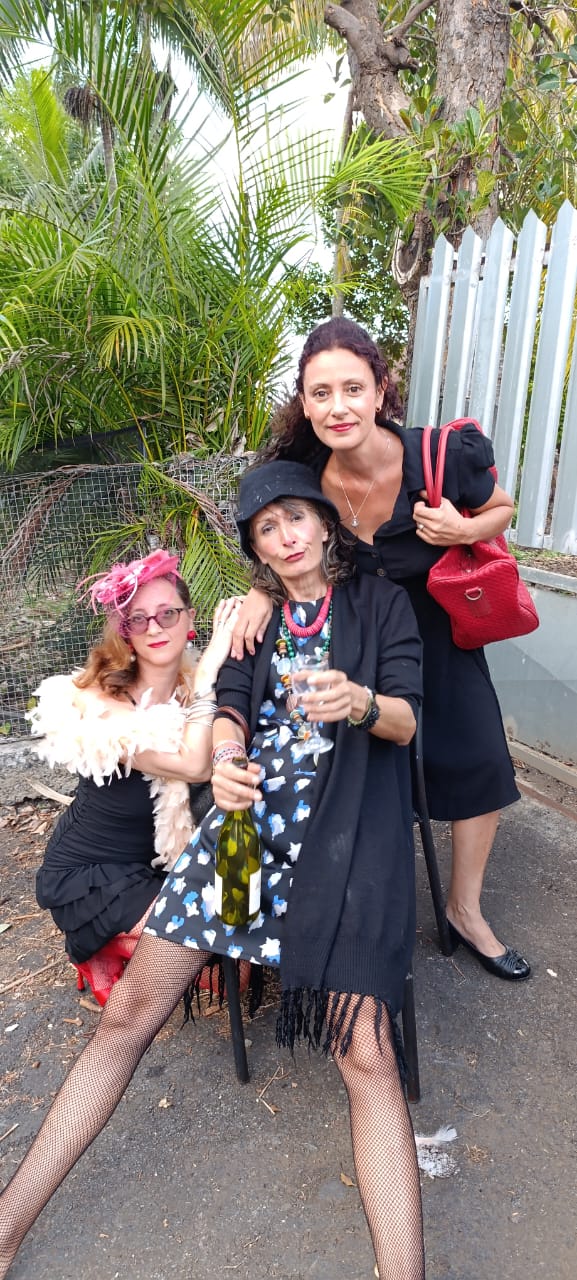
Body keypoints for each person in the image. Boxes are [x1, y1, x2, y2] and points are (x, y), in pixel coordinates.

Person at [0, 462, 425, 1280]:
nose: (285, 536)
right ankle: (6, 1226)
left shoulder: (381, 606)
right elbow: (227, 709)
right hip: (243, 840)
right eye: (266, 528)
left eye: (295, 517)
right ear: (257, 551)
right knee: (129, 1015)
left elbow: (407, 720)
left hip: (344, 841)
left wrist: (360, 703)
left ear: (324, 525)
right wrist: (227, 761)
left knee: (365, 1056)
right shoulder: (253, 622)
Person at [232, 316, 530, 981]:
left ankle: (464, 909)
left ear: (379, 389)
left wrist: (462, 527)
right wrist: (259, 591)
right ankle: (337, 897)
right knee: (364, 766)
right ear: (305, 402)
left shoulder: (438, 456)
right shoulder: (304, 473)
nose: (337, 406)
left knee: (478, 757)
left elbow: (502, 507)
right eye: (321, 393)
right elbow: (273, 536)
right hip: (357, 639)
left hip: (438, 631)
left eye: (352, 388)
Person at [28, 548, 240, 1005]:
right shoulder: (101, 704)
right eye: (138, 619)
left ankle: (128, 942)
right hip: (89, 875)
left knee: (238, 970)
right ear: (124, 631)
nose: (155, 628)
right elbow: (193, 764)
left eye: (168, 614)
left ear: (190, 618)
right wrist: (208, 674)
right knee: (205, 956)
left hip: (153, 867)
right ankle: (98, 945)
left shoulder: (187, 690)